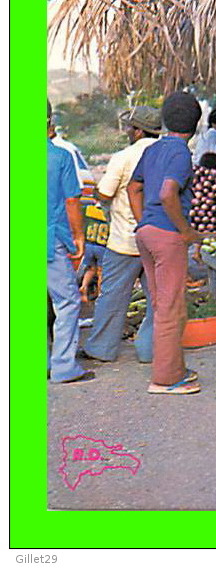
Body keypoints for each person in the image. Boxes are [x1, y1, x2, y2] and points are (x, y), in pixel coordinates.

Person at [128, 92, 203, 395]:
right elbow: (168, 193)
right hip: (167, 237)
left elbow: (134, 188)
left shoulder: (152, 150)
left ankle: (173, 368)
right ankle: (167, 380)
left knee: (161, 306)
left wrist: (144, 220)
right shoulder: (181, 154)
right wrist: (185, 231)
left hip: (146, 233)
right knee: (172, 308)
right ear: (195, 125)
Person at [80, 106, 161, 364]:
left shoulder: (124, 156)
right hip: (157, 238)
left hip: (125, 240)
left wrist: (96, 195)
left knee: (113, 297)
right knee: (158, 300)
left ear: (137, 130)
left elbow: (104, 193)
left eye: (129, 127)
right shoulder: (166, 155)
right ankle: (150, 351)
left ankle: (101, 349)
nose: (127, 131)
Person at [47, 100, 95, 384]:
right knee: (66, 302)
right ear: (49, 122)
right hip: (50, 239)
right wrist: (79, 237)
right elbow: (71, 201)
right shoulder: (60, 156)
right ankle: (64, 367)